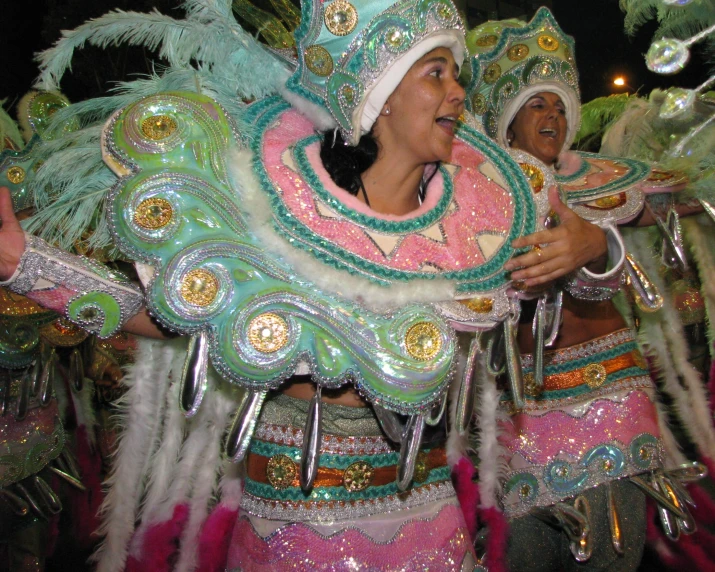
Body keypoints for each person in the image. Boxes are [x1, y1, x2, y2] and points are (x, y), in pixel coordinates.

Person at [0, 0, 604, 569]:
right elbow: (170, 311)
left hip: (432, 519)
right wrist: (26, 265)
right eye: (436, 72)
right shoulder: (277, 209)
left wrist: (593, 247)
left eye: (458, 75)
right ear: (381, 92)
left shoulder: (480, 227)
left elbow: (583, 294)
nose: (458, 92)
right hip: (297, 526)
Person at [462, 8, 706, 571]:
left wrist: (596, 245)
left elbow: (690, 197)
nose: (552, 116)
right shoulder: (472, 196)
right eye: (536, 104)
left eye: (558, 105)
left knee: (605, 556)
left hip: (604, 406)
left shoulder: (597, 184)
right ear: (505, 119)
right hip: (516, 421)